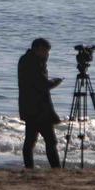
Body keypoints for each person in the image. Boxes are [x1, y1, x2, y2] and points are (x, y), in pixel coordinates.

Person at [16, 37, 64, 169]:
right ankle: (56, 168)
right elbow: (42, 84)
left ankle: (29, 168)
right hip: (39, 109)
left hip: (29, 107)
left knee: (30, 141)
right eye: (46, 52)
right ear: (38, 49)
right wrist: (55, 82)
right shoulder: (34, 63)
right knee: (50, 141)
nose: (47, 54)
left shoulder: (26, 60)